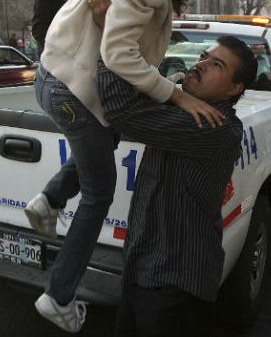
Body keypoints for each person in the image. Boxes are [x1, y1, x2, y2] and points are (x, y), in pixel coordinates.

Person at [25, 0, 225, 332]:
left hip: (52, 75)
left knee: (108, 133)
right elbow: (119, 55)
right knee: (99, 192)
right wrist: (176, 95)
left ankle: (49, 199)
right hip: (71, 88)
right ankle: (58, 296)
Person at [96, 36, 257, 336]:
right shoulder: (180, 108)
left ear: (236, 88)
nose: (201, 64)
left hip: (174, 281)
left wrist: (113, 36)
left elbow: (121, 111)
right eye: (204, 56)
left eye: (216, 65)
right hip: (142, 269)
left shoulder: (215, 126)